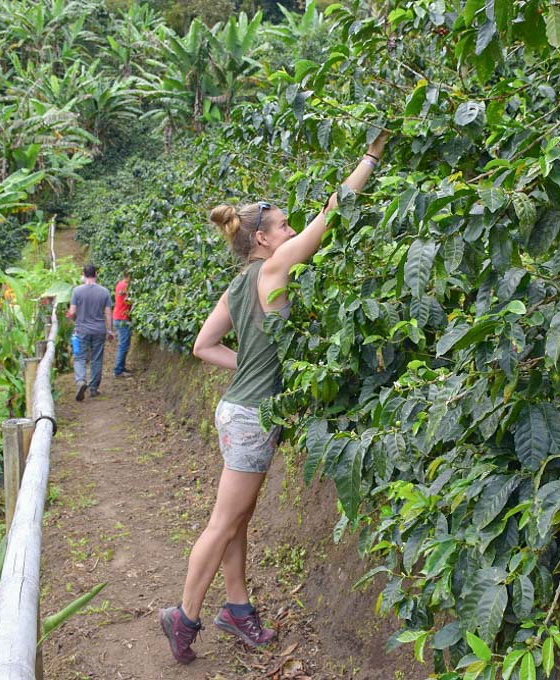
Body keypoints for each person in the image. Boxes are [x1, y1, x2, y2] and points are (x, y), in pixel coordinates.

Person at [159, 129, 390, 664]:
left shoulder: (239, 283)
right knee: (223, 523)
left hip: (235, 409)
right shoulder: (275, 268)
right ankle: (184, 617)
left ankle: (236, 609)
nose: (291, 229)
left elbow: (202, 345)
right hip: (252, 418)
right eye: (284, 224)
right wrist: (370, 155)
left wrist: (255, 366)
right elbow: (332, 214)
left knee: (236, 518)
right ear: (263, 239)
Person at [67, 264, 114, 401]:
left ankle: (81, 381)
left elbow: (72, 312)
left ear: (83, 274)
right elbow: (108, 313)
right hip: (99, 329)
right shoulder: (104, 292)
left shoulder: (77, 291)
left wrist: (71, 316)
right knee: (96, 359)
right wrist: (109, 330)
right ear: (96, 274)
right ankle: (93, 388)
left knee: (80, 357)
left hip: (81, 329)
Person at [112, 271, 133, 378]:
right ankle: (118, 370)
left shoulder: (120, 284)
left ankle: (121, 367)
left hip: (118, 317)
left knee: (124, 344)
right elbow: (127, 300)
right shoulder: (125, 286)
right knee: (123, 345)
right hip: (122, 318)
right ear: (128, 276)